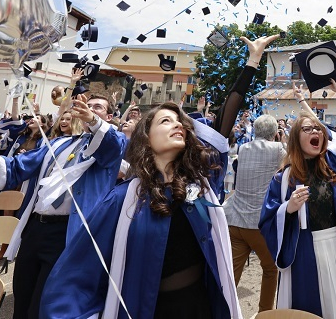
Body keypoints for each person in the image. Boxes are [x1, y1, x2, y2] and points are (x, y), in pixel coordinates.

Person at [40, 34, 278, 319]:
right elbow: (75, 275)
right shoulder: (122, 200)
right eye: (166, 121)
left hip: (199, 307)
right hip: (148, 309)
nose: (177, 125)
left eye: (180, 122)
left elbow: (225, 121)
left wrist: (252, 62)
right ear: (146, 138)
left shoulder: (200, 186)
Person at [0, 92, 127, 319]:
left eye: (97, 107)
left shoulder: (113, 143)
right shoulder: (57, 143)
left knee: (45, 304)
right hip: (35, 228)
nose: (89, 108)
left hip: (69, 234)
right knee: (22, 298)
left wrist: (94, 122)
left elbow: (111, 146)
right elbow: (18, 167)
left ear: (110, 116)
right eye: (86, 105)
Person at [260, 79, 336, 319]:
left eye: (318, 128)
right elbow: (266, 221)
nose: (316, 131)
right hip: (306, 251)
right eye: (308, 129)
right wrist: (288, 208)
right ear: (296, 138)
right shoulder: (283, 179)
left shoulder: (334, 163)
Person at [225, 114, 285, 312]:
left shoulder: (244, 148)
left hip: (235, 220)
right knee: (270, 269)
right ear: (275, 133)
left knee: (232, 274)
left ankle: (223, 310)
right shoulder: (278, 150)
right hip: (259, 224)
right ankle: (264, 312)